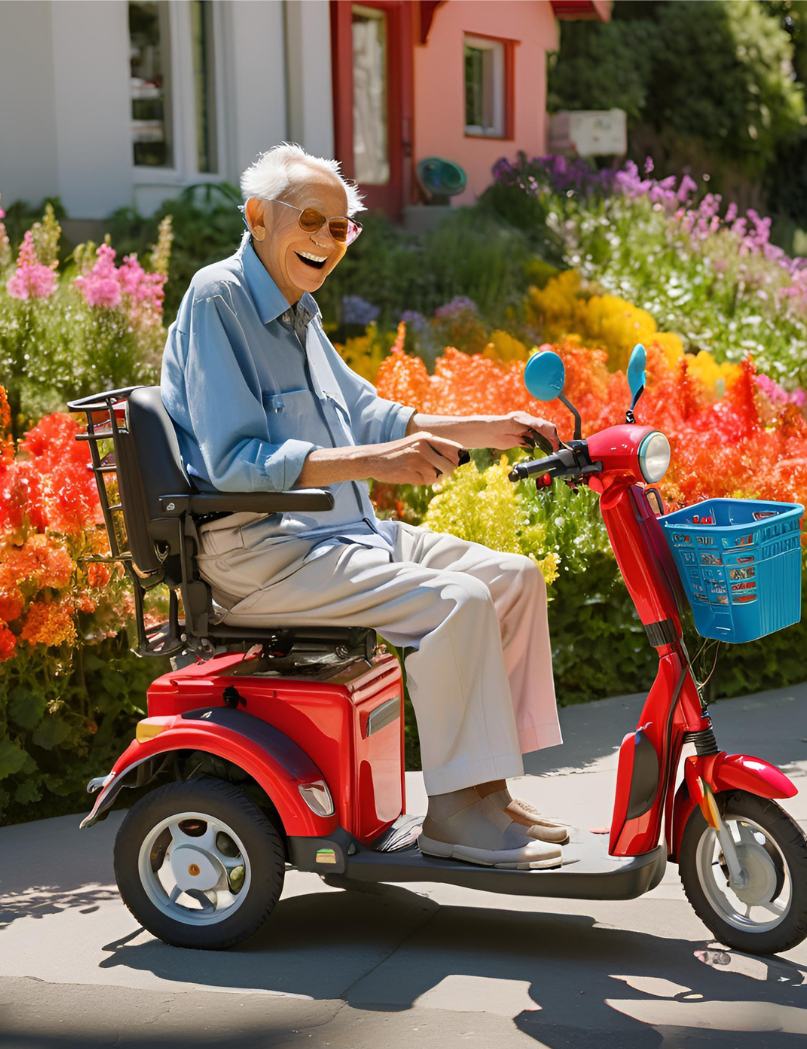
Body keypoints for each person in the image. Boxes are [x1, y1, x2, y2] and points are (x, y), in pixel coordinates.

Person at [161, 143, 570, 869]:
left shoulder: (300, 312)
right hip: (265, 551)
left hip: (343, 535)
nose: (325, 239)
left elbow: (372, 413)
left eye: (340, 227)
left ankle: (484, 792)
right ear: (258, 218)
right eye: (310, 220)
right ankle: (451, 815)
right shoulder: (218, 299)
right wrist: (375, 463)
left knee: (513, 580)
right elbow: (234, 463)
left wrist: (490, 426)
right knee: (458, 600)